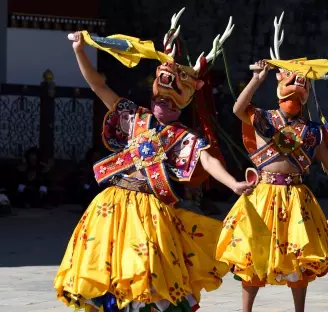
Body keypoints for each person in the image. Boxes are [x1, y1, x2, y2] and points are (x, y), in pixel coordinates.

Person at [54, 9, 254, 312]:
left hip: (149, 209)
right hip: (112, 204)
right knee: (106, 267)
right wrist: (80, 51)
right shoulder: (134, 117)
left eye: (169, 99)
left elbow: (207, 159)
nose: (161, 101)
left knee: (145, 269)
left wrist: (233, 183)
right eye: (159, 97)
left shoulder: (181, 135)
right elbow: (99, 86)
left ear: (181, 103)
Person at [215, 13, 328, 312]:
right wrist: (256, 79)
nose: (295, 89)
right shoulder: (265, 118)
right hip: (262, 194)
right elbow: (238, 108)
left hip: (296, 198)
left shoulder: (313, 131)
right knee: (253, 255)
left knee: (298, 259)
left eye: (301, 86)